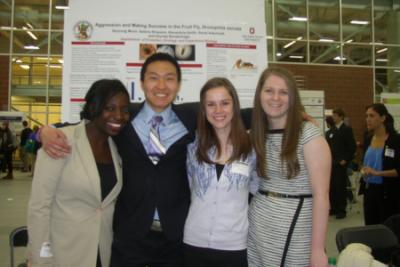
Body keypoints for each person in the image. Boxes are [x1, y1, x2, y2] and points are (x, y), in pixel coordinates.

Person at [27, 79, 130, 267]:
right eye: (110, 108)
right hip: (63, 255)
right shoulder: (61, 141)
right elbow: (39, 208)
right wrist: (43, 260)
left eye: (124, 110)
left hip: (102, 253)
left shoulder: (117, 148)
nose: (119, 116)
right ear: (94, 108)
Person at [248, 67, 331, 267]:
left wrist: (317, 250)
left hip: (294, 228)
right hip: (258, 224)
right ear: (260, 94)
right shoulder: (257, 134)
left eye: (283, 92)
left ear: (292, 97)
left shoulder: (309, 136)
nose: (275, 97)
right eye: (269, 91)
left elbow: (322, 196)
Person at [183, 77, 257, 267]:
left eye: (225, 103)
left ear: (235, 105)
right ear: (203, 109)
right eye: (211, 104)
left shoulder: (251, 149)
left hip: (234, 246)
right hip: (193, 242)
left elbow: (258, 192)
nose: (218, 111)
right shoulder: (192, 146)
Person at [360, 103, 400, 225]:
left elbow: (398, 171)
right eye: (366, 116)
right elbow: (366, 163)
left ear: (383, 118)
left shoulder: (395, 140)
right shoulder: (368, 139)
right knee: (371, 227)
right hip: (369, 191)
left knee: (388, 230)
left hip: (389, 193)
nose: (368, 119)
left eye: (372, 116)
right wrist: (363, 170)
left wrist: (377, 173)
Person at [326, 108, 356, 219]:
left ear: (341, 117)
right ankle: (333, 208)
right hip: (331, 163)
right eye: (333, 115)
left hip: (341, 163)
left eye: (335, 116)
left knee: (340, 186)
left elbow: (352, 147)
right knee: (332, 186)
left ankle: (341, 210)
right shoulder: (330, 131)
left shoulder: (347, 130)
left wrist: (346, 159)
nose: (333, 117)